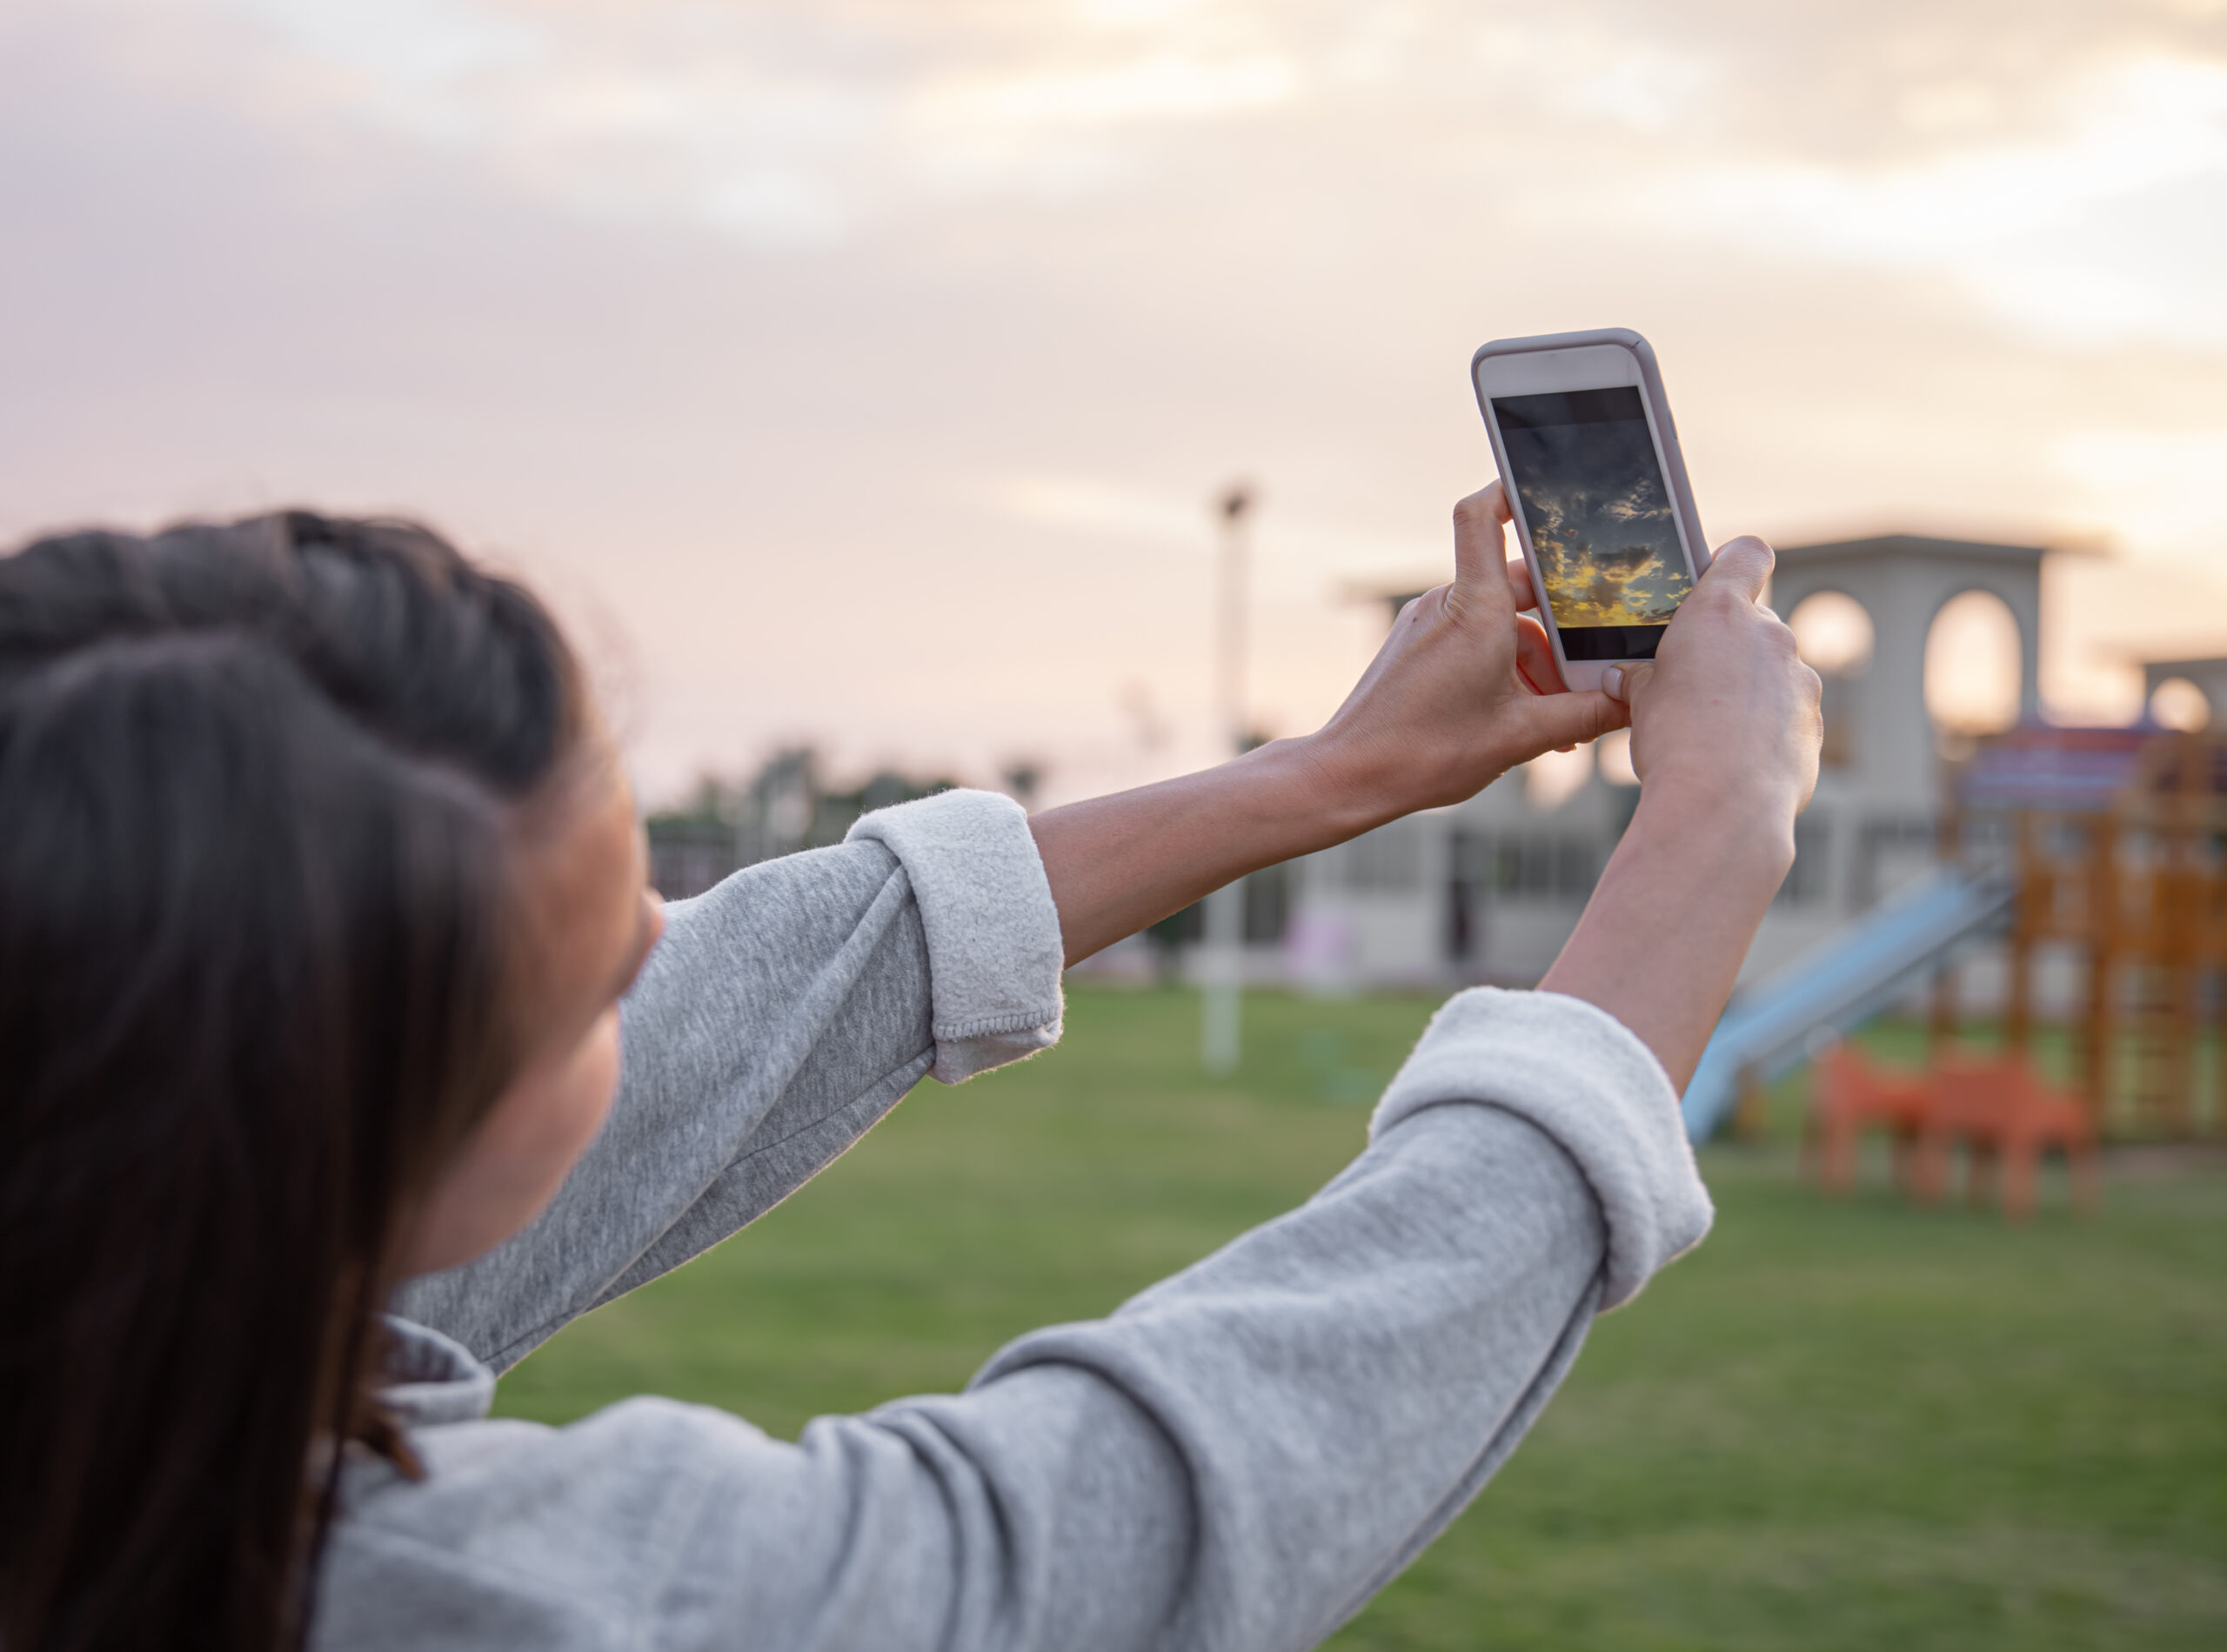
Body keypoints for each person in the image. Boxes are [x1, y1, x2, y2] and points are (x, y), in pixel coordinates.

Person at [0, 486, 1819, 1652]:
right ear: (318, 1133)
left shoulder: (100, 1300)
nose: (658, 942)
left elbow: (758, 988)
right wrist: (1714, 826)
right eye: (577, 972)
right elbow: (1097, 1531)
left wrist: (1318, 778)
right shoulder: (465, 1607)